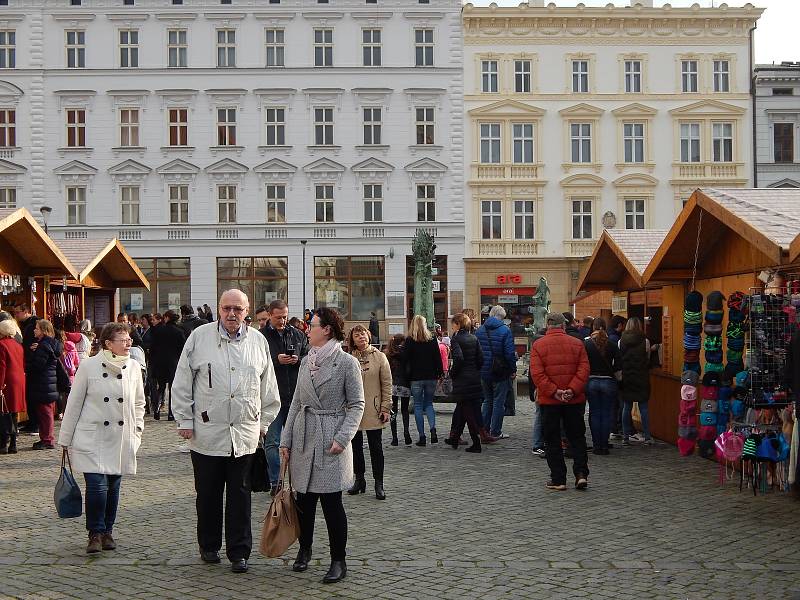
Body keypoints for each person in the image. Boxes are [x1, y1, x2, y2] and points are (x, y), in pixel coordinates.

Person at [171, 289, 280, 574]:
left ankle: (239, 551)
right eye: (226, 308)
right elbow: (182, 380)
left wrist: (263, 423)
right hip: (207, 433)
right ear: (219, 309)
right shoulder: (200, 337)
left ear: (247, 312)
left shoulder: (258, 342)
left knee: (240, 496)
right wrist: (184, 419)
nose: (232, 314)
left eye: (238, 309)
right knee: (207, 494)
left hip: (243, 435)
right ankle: (208, 545)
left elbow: (268, 387)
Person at [279, 307, 364, 583]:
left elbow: (357, 404)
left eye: (312, 325)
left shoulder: (346, 363)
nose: (307, 329)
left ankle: (338, 560)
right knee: (304, 500)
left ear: (326, 329)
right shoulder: (306, 361)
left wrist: (342, 437)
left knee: (331, 503)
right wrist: (286, 439)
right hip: (305, 436)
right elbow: (295, 404)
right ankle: (304, 550)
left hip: (331, 438)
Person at [57, 323, 145, 554]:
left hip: (121, 437)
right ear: (108, 343)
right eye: (123, 340)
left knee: (113, 486)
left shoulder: (134, 367)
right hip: (92, 437)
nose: (129, 344)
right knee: (97, 486)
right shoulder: (89, 366)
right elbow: (74, 403)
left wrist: (136, 432)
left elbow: (139, 402)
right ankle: (95, 532)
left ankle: (108, 531)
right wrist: (65, 439)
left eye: (129, 340)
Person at [530, 312, 590, 491]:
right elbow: (584, 369)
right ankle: (580, 474)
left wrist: (554, 392)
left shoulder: (538, 345)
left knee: (552, 439)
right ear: (564, 326)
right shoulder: (578, 344)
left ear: (548, 325)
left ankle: (558, 479)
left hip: (550, 401)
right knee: (577, 437)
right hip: (574, 399)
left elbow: (537, 374)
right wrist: (571, 390)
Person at [259, 299, 309, 493]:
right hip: (271, 397)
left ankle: (296, 480)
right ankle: (276, 481)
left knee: (297, 442)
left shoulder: (297, 334)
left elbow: (308, 357)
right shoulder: (261, 337)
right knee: (272, 441)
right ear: (270, 315)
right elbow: (257, 365)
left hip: (295, 396)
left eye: (285, 317)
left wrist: (298, 360)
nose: (282, 320)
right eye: (278, 317)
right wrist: (276, 360)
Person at [346, 324, 392, 500]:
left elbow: (387, 384)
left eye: (363, 334)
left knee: (376, 447)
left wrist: (386, 406)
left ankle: (379, 483)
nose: (361, 337)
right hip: (353, 410)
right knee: (355, 447)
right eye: (357, 335)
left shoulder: (379, 357)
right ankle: (359, 480)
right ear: (352, 339)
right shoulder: (348, 358)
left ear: (369, 336)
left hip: (374, 408)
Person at [475, 305, 516, 440]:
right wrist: (512, 370)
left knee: (487, 400)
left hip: (484, 371)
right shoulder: (505, 330)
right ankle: (495, 431)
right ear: (502, 317)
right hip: (500, 371)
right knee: (499, 401)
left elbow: (477, 352)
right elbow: (509, 353)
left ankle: (484, 429)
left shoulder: (480, 330)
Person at [402, 314, 443, 446]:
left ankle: (422, 436)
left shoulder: (410, 340)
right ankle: (433, 429)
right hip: (431, 376)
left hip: (416, 377)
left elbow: (404, 359)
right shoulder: (431, 339)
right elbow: (438, 357)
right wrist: (440, 373)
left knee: (418, 406)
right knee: (429, 404)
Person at [445, 313, 483, 453]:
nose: (452, 326)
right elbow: (481, 359)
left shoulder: (456, 339)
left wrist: (452, 374)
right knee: (463, 408)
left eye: (453, 324)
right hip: (474, 378)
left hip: (463, 380)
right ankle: (454, 438)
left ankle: (476, 442)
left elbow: (459, 359)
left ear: (458, 324)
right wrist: (474, 371)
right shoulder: (474, 338)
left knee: (467, 412)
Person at [583, 317, 620, 455]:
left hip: (591, 381)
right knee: (606, 413)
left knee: (594, 413)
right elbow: (618, 365)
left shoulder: (587, 344)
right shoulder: (611, 344)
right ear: (605, 327)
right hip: (608, 381)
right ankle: (604, 444)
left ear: (593, 327)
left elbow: (583, 364)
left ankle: (597, 444)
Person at [27, 319, 62, 450]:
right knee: (45, 412)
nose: (34, 330)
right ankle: (45, 438)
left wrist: (31, 358)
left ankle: (47, 440)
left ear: (43, 330)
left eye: (36, 328)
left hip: (43, 382)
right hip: (48, 382)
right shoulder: (51, 343)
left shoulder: (43, 345)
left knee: (45, 413)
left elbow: (38, 365)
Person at [619, 317, 652, 445]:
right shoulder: (646, 341)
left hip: (627, 377)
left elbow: (620, 358)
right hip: (641, 377)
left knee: (626, 407)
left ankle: (625, 436)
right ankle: (647, 437)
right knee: (643, 407)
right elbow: (647, 358)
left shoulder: (620, 341)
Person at [147, 310, 186, 420]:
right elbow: (183, 349)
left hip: (159, 363)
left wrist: (152, 361)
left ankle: (157, 409)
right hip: (173, 363)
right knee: (173, 388)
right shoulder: (179, 332)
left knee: (161, 387)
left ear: (167, 318)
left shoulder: (158, 330)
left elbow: (153, 347)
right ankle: (170, 413)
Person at [0, 318, 25, 454]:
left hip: (7, 381)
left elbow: (2, 367)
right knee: (13, 413)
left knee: (3, 412)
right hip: (19, 380)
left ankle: (3, 443)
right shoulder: (18, 345)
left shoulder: (2, 345)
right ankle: (13, 444)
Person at [13, 304, 39, 433]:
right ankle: (31, 422)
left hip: (33, 364)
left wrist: (38, 346)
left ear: (26, 311)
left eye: (18, 313)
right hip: (28, 363)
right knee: (29, 395)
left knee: (33, 396)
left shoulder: (34, 323)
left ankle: (34, 424)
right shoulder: (26, 325)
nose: (16, 316)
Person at [386, 334, 412, 446]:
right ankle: (406, 433)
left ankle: (394, 438)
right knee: (405, 410)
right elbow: (409, 369)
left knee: (393, 411)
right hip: (405, 384)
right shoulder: (406, 353)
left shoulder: (389, 354)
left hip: (393, 385)